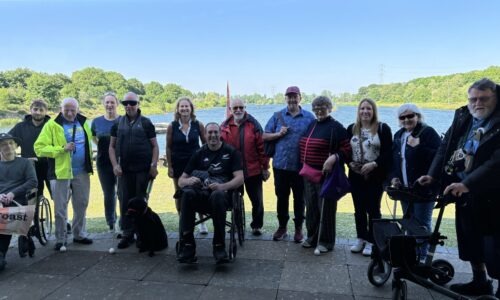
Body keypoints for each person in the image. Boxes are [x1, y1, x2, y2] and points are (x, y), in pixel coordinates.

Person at [419, 78, 500, 297]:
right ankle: (480, 281)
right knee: (470, 240)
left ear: (495, 97)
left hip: (493, 195)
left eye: (483, 98)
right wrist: (432, 174)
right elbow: (446, 145)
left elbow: (496, 161)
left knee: (495, 246)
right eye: (473, 98)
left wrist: (467, 183)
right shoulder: (464, 115)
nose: (477, 103)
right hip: (462, 191)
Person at [176, 123, 244, 264]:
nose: (212, 135)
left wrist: (222, 186)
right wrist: (189, 181)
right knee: (187, 194)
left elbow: (240, 178)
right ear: (205, 135)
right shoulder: (199, 153)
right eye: (209, 133)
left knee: (217, 195)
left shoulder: (231, 152)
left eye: (215, 132)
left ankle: (219, 245)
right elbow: (181, 181)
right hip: (202, 195)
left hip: (223, 197)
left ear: (220, 134)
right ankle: (187, 245)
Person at [34, 97, 94, 250]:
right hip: (60, 173)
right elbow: (39, 148)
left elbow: (90, 141)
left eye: (73, 110)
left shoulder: (84, 122)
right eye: (66, 109)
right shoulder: (52, 125)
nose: (69, 112)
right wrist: (62, 149)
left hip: (82, 172)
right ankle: (61, 239)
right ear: (60, 109)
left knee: (81, 204)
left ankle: (79, 234)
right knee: (60, 208)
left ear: (77, 110)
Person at [299, 96, 351, 252]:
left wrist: (334, 158)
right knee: (312, 207)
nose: (319, 110)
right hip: (308, 174)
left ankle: (326, 242)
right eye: (315, 107)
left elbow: (347, 150)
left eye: (323, 106)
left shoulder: (336, 127)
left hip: (326, 175)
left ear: (330, 108)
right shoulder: (312, 124)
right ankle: (312, 237)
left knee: (326, 209)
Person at [263, 86, 315, 242]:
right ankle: (282, 227)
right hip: (280, 166)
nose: (292, 99)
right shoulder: (276, 116)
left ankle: (299, 229)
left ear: (300, 98)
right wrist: (278, 134)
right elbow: (264, 136)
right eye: (289, 96)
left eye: (295, 96)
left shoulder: (309, 117)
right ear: (285, 98)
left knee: (300, 199)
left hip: (301, 167)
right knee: (281, 198)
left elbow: (316, 137)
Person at [390, 103, 441, 258]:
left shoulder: (428, 132)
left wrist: (419, 147)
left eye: (410, 116)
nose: (406, 120)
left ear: (418, 116)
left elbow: (440, 158)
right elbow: (394, 160)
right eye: (402, 117)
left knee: (421, 226)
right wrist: (394, 177)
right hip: (405, 190)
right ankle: (411, 257)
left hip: (424, 190)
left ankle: (422, 259)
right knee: (408, 224)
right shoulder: (399, 134)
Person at [109, 92, 159, 249]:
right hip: (124, 171)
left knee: (141, 202)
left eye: (132, 103)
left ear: (138, 104)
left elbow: (155, 146)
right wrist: (115, 165)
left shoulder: (146, 123)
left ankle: (141, 234)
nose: (129, 106)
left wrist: (153, 165)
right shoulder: (117, 124)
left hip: (143, 170)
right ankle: (127, 233)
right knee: (124, 202)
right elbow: (111, 147)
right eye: (125, 103)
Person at [347, 98, 392, 256]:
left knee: (373, 209)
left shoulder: (382, 128)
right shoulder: (351, 128)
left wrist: (374, 164)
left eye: (369, 109)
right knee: (358, 208)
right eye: (362, 109)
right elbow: (346, 150)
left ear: (373, 111)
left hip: (375, 176)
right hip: (356, 175)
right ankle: (361, 238)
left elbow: (388, 153)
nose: (365, 111)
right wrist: (349, 163)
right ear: (358, 111)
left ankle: (373, 241)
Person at [221, 98, 270, 236]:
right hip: (233, 172)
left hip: (253, 170)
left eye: (241, 107)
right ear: (230, 109)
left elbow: (262, 148)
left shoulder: (253, 124)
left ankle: (257, 225)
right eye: (235, 108)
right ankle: (236, 225)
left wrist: (265, 167)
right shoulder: (224, 126)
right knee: (234, 200)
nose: (238, 110)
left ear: (245, 108)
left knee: (257, 201)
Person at [166, 97, 208, 234]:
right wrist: (170, 166)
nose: (184, 109)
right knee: (180, 193)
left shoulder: (198, 125)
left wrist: (206, 162)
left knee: (198, 190)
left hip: (196, 165)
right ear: (177, 109)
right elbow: (168, 147)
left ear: (191, 108)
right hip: (178, 165)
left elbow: (205, 145)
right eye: (181, 106)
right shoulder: (172, 126)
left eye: (187, 106)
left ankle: (202, 223)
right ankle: (182, 222)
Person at [0, 133, 38, 272]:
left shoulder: (24, 163)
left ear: (16, 146)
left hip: (18, 200)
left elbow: (33, 181)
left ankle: (1, 253)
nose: (8, 146)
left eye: (11, 143)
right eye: (4, 144)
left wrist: (13, 193)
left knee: (4, 213)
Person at [9, 99, 51, 199]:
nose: (38, 112)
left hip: (50, 166)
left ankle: (61, 215)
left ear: (46, 111)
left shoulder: (52, 126)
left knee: (59, 197)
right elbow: (8, 143)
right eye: (35, 109)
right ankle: (35, 215)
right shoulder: (20, 127)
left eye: (41, 110)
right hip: (30, 168)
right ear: (30, 110)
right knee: (33, 199)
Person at [91, 92, 120, 231]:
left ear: (117, 104)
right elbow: (93, 137)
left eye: (112, 102)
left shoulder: (123, 120)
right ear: (103, 104)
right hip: (103, 162)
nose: (109, 105)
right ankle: (111, 222)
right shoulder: (96, 122)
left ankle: (125, 222)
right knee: (109, 194)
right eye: (107, 102)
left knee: (122, 193)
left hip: (121, 162)